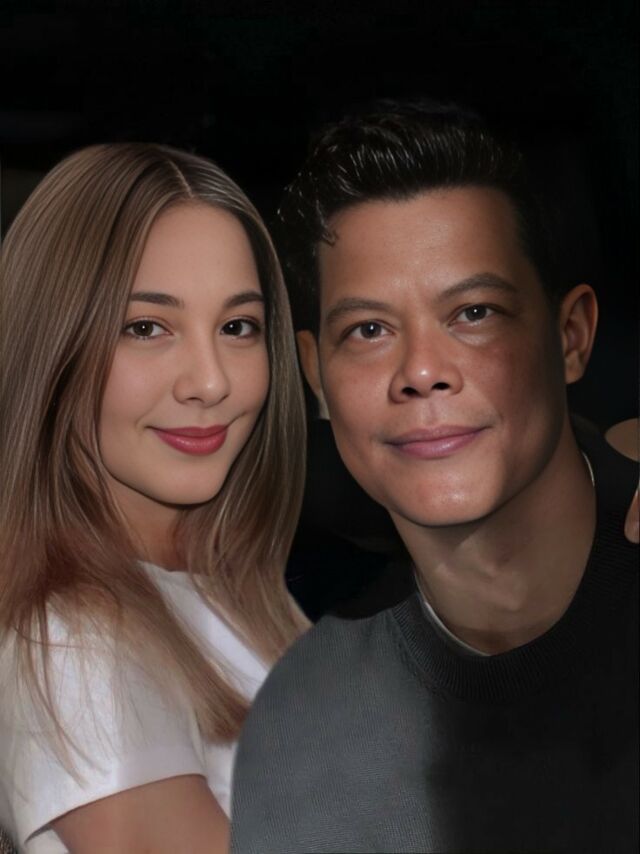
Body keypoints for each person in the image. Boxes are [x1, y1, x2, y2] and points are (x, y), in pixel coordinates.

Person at [230, 102, 639, 852]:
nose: (421, 371)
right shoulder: (305, 723)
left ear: (571, 337)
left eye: (474, 312)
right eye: (369, 330)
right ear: (316, 374)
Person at [0, 143, 308, 853]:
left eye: (237, 327)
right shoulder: (72, 641)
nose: (210, 381)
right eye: (146, 328)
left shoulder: (236, 591)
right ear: (52, 347)